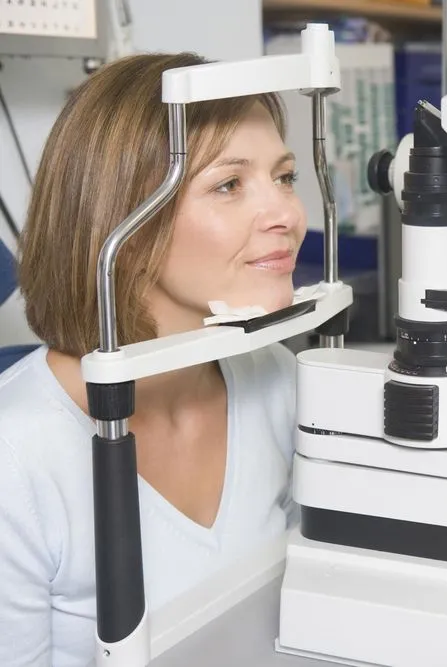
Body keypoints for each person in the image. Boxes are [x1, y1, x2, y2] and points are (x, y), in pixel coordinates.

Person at [0, 52, 307, 666]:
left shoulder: (274, 376)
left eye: (285, 177)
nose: (286, 216)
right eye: (228, 184)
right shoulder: (18, 456)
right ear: (124, 223)